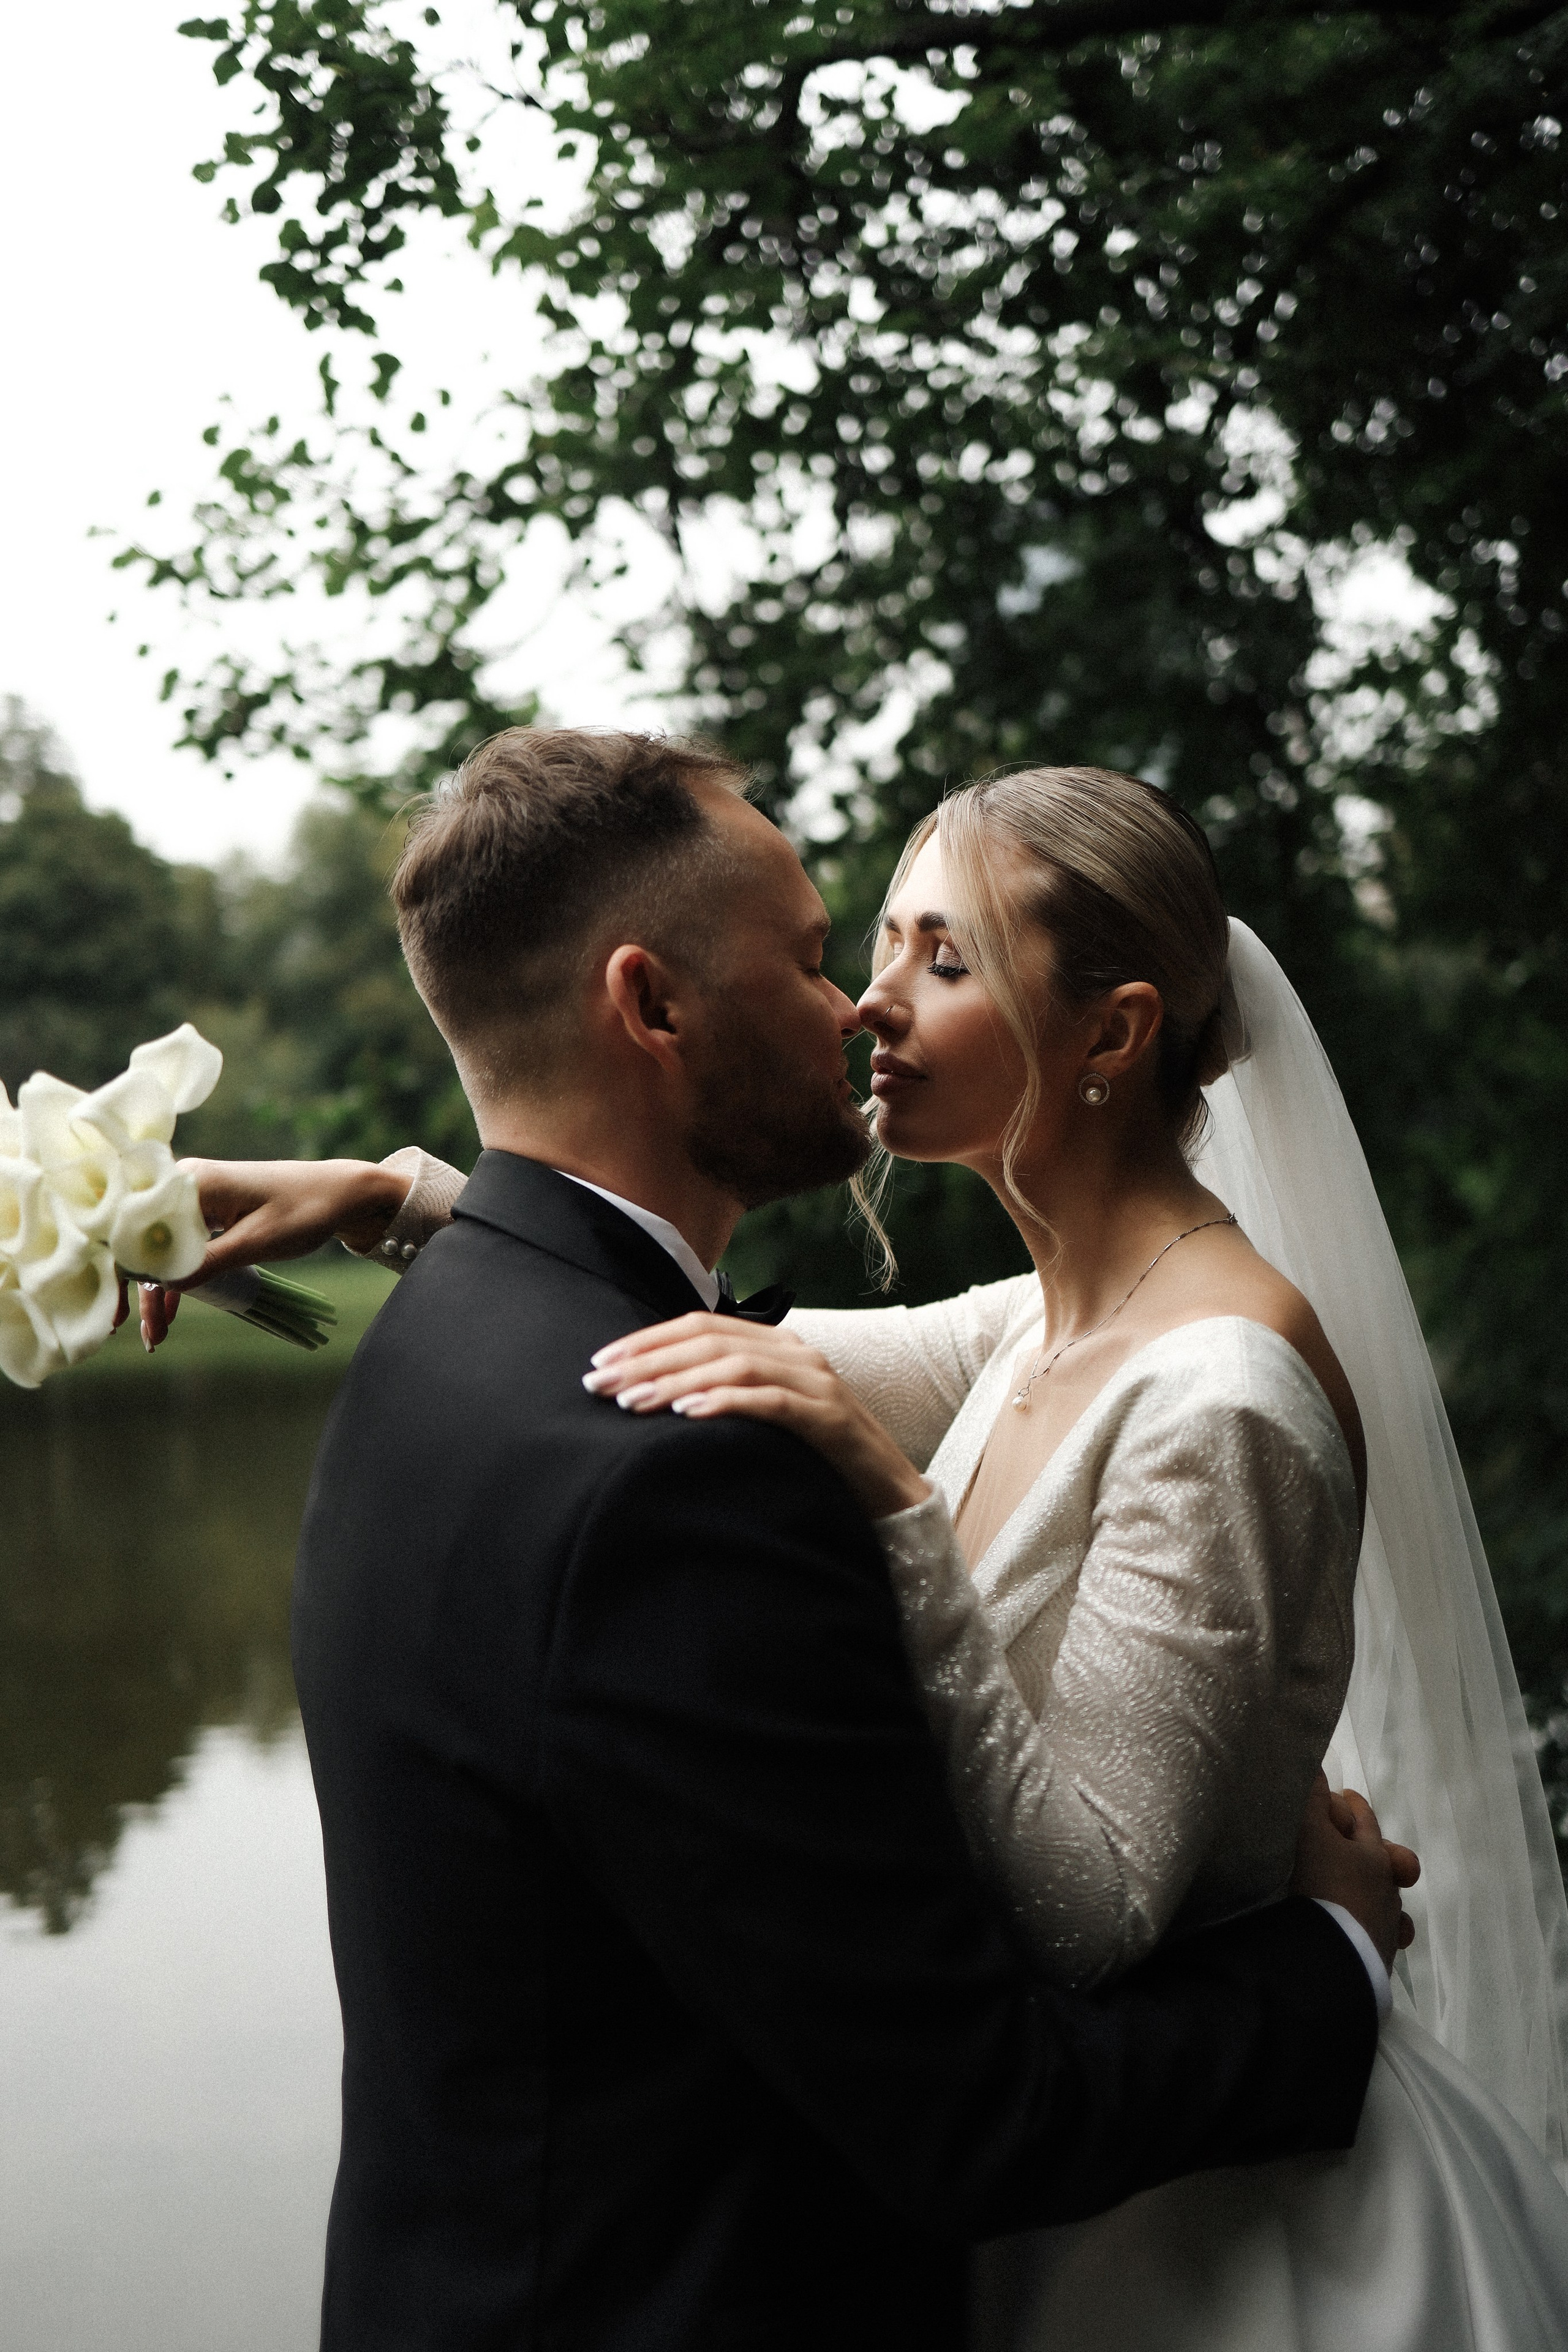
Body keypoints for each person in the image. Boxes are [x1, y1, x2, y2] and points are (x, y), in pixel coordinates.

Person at [160, 730, 1414, 2352]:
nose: (863, 1009)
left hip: (1185, 2236)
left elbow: (1080, 1915)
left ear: (1110, 1034)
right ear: (654, 1005)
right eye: (843, 951)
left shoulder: (1208, 1383)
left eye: (929, 956)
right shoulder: (997, 1344)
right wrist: (404, 1198)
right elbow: (753, 1341)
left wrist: (442, 1215)